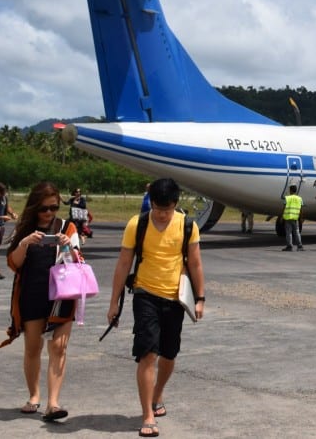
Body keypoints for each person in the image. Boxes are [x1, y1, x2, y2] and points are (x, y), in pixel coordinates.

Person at [107, 178, 205, 439]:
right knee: (148, 353)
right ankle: (147, 415)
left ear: (176, 204)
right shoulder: (136, 224)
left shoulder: (187, 226)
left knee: (169, 354)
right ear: (150, 202)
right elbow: (123, 263)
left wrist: (200, 298)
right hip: (145, 294)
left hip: (175, 298)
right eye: (157, 209)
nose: (161, 215)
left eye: (167, 209)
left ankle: (158, 392)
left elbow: (195, 263)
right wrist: (114, 302)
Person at [0, 181, 80, 422]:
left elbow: (79, 260)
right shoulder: (25, 228)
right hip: (32, 294)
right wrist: (25, 243)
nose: (48, 213)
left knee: (58, 347)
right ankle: (34, 396)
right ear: (35, 206)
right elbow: (14, 264)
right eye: (44, 208)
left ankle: (53, 404)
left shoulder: (67, 227)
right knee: (33, 347)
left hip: (63, 295)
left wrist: (68, 246)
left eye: (54, 208)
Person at [282, 185, 303, 251]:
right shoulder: (300, 198)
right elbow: (301, 209)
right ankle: (300, 246)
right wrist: (301, 218)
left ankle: (289, 246)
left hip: (288, 218)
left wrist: (281, 216)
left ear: (290, 190)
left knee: (289, 233)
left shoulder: (287, 198)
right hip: (295, 217)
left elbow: (284, 208)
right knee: (297, 232)